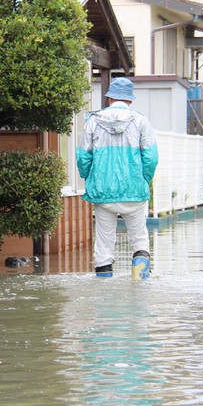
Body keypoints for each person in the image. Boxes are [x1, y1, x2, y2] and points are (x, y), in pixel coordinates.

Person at [76, 77, 158, 279]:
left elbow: (83, 156)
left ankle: (105, 297)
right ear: (130, 100)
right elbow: (151, 159)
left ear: (110, 98)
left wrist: (89, 177)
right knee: (139, 238)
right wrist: (143, 180)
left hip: (104, 192)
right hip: (135, 192)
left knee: (104, 244)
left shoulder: (93, 121)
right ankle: (140, 289)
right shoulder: (141, 121)